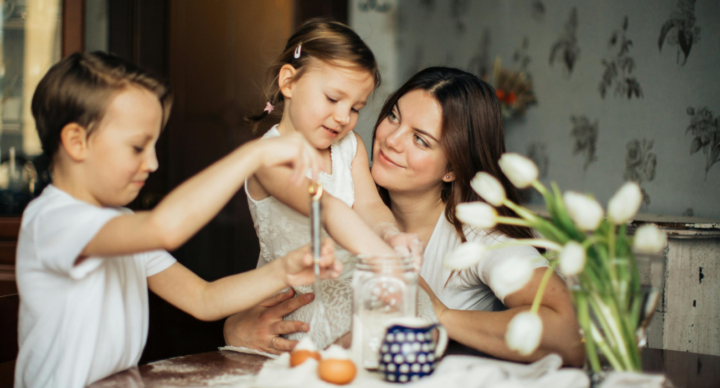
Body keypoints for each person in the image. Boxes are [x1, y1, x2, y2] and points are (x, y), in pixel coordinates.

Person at [14, 51, 340, 388]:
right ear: (76, 142)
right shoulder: (54, 221)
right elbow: (164, 228)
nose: (152, 163)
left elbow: (203, 298)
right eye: (138, 147)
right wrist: (253, 154)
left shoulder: (122, 225)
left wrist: (283, 269)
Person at [227, 67, 584, 366]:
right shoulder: (340, 196)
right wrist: (237, 327)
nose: (391, 140)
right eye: (393, 116)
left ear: (453, 169)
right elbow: (272, 293)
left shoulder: (477, 236)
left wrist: (438, 314)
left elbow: (569, 336)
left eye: (421, 140)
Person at [243, 19, 434, 350]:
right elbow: (326, 207)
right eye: (333, 99)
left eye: (356, 108)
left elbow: (370, 206)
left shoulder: (350, 147)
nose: (344, 117)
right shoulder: (268, 157)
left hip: (349, 286)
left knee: (408, 313)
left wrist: (390, 235)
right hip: (298, 302)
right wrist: (382, 257)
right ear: (289, 82)